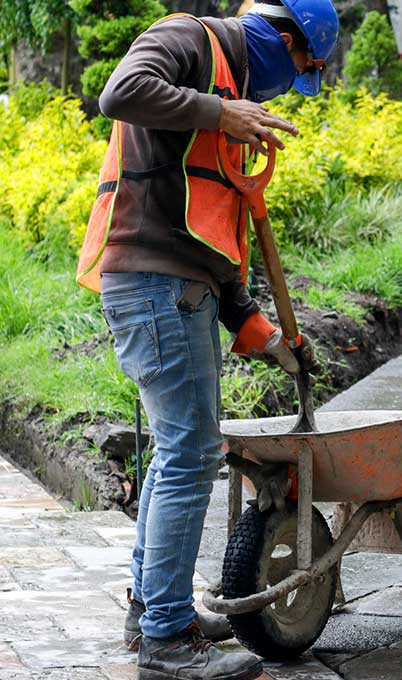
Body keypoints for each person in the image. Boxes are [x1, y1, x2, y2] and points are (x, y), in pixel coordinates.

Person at [74, 2, 338, 678]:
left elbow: (211, 238)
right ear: (283, 41)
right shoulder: (188, 38)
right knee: (191, 455)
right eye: (303, 69)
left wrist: (263, 333)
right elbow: (119, 93)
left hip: (179, 286)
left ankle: (154, 613)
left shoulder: (228, 93)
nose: (289, 88)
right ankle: (166, 640)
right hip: (154, 285)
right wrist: (223, 114)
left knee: (177, 455)